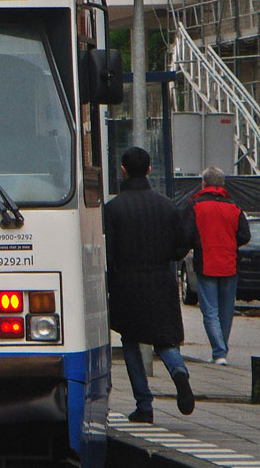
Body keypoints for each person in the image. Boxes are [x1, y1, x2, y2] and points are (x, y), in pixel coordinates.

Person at [103, 147, 195, 423]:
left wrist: (110, 281)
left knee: (130, 341)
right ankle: (178, 371)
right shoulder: (167, 206)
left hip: (127, 283)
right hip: (160, 280)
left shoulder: (114, 208)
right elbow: (181, 247)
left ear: (122, 170)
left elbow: (109, 251)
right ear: (149, 170)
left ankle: (144, 405)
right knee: (164, 339)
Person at [183, 166, 251, 365]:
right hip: (229, 263)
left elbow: (187, 234)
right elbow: (244, 235)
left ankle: (219, 352)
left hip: (206, 263)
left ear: (204, 183)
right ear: (223, 184)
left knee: (210, 310)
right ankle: (222, 350)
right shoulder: (235, 208)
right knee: (226, 310)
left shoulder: (195, 206)